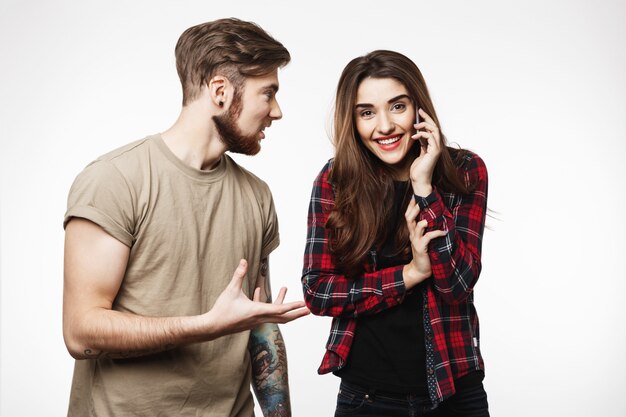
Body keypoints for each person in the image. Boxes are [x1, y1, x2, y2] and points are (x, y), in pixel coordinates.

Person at [63, 18, 309, 417]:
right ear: (220, 91)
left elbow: (257, 322)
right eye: (269, 93)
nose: (276, 112)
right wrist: (205, 326)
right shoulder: (115, 180)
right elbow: (80, 333)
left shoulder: (257, 195)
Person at [302, 50, 490, 416]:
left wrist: (424, 186)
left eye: (398, 106)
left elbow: (457, 283)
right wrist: (410, 275)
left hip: (455, 393)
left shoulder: (465, 170)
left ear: (419, 108)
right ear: (352, 121)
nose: (384, 126)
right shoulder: (335, 180)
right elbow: (318, 291)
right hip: (367, 398)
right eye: (367, 112)